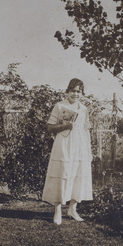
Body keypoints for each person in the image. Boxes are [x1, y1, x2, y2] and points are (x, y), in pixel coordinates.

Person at [42, 78, 93, 225]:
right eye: (73, 91)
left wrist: (89, 151)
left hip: (80, 145)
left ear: (81, 93)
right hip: (63, 144)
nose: (75, 94)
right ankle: (58, 211)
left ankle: (72, 209)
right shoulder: (59, 106)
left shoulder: (84, 109)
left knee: (77, 175)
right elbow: (50, 127)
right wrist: (65, 126)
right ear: (68, 91)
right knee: (62, 174)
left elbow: (86, 131)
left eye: (78, 91)